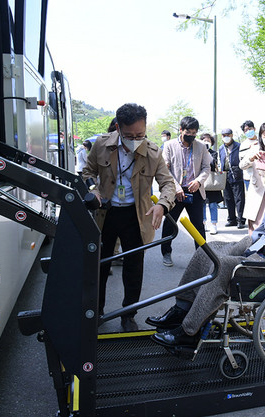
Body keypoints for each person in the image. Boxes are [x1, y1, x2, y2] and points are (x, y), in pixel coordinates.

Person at [146, 147, 265, 347]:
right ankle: (182, 308)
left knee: (222, 265)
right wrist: (251, 247)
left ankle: (189, 331)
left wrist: (261, 258)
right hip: (256, 246)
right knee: (207, 250)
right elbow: (261, 230)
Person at [82, 103, 176, 332]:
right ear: (118, 127)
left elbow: (168, 184)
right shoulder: (101, 145)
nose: (135, 140)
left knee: (134, 268)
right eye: (129, 135)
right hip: (106, 214)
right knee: (99, 268)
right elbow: (87, 173)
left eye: (140, 135)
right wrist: (93, 190)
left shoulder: (153, 152)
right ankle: (97, 312)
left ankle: (128, 314)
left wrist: (162, 205)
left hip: (137, 216)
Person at [161, 116, 211, 267]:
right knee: (170, 223)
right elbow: (165, 169)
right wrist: (176, 187)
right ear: (181, 130)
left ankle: (202, 256)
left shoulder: (201, 146)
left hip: (194, 190)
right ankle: (166, 252)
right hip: (175, 191)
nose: (192, 135)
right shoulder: (169, 145)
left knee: (198, 225)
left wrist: (198, 181)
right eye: (189, 131)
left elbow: (206, 167)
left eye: (195, 132)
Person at [239, 122, 265, 233]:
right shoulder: (254, 149)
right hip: (256, 189)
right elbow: (241, 165)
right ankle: (252, 245)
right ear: (261, 136)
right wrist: (251, 159)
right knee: (254, 219)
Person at [219, 128, 246, 229]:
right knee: (228, 198)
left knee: (239, 198)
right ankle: (231, 219)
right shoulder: (221, 148)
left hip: (237, 174)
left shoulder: (238, 146)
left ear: (231, 135)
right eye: (224, 135)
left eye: (228, 135)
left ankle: (241, 219)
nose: (226, 137)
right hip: (225, 175)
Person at [200, 133, 224, 235]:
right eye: (204, 140)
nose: (206, 142)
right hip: (201, 181)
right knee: (202, 204)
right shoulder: (198, 152)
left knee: (213, 204)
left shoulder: (213, 153)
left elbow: (212, 163)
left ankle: (214, 224)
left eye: (208, 140)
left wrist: (206, 152)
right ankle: (203, 222)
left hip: (212, 182)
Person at [238, 120, 258, 190]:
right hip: (249, 177)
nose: (248, 131)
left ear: (254, 129)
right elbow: (242, 163)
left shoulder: (261, 141)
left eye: (250, 129)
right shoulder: (243, 145)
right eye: (246, 130)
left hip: (264, 176)